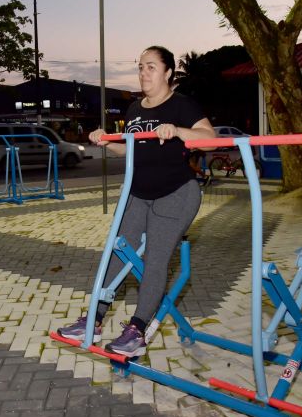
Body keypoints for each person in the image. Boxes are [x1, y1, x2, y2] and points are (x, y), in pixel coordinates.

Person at [58, 45, 216, 357]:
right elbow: (132, 148)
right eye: (141, 67)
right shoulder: (135, 110)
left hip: (176, 193)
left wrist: (178, 131)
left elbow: (209, 137)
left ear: (168, 72)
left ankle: (137, 330)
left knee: (156, 258)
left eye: (151, 67)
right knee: (116, 252)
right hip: (137, 193)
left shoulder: (181, 104)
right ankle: (95, 318)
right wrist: (108, 141)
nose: (144, 72)